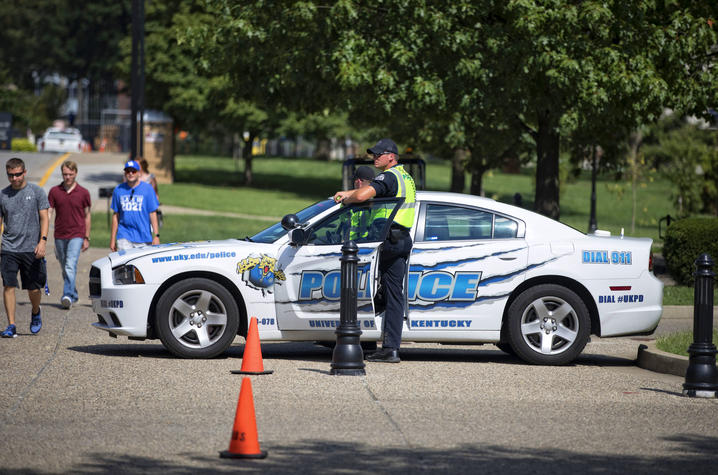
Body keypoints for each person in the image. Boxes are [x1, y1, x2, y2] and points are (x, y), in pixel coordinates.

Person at [333, 138, 416, 363]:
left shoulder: (388, 176)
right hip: (401, 239)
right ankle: (390, 348)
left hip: (390, 240)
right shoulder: (405, 176)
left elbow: (361, 196)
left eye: (379, 154)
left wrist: (346, 194)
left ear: (391, 157)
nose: (375, 158)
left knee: (381, 293)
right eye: (374, 154)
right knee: (392, 295)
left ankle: (363, 335)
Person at [1, 158, 50, 338]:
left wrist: (42, 241)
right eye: (11, 175)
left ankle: (35, 311)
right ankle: (11, 325)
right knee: (8, 285)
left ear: (24, 172)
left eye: (17, 174)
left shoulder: (36, 192)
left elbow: (45, 218)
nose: (14, 178)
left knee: (34, 288)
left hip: (31, 248)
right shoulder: (3, 195)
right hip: (9, 247)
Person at [48, 160, 91, 309]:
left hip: (77, 234)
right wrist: (44, 232)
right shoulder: (54, 191)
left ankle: (66, 295)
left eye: (70, 174)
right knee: (64, 266)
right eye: (65, 174)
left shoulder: (84, 192)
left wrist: (86, 237)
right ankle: (73, 293)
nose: (67, 177)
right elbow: (49, 212)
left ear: (76, 173)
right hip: (60, 234)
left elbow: (87, 216)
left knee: (70, 265)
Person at [110, 160, 160, 252]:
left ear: (139, 173)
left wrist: (156, 235)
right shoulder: (118, 190)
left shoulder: (147, 189)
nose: (130, 174)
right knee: (125, 264)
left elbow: (153, 213)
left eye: (133, 171)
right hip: (124, 235)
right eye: (128, 171)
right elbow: (115, 215)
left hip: (143, 237)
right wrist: (113, 238)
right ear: (125, 173)